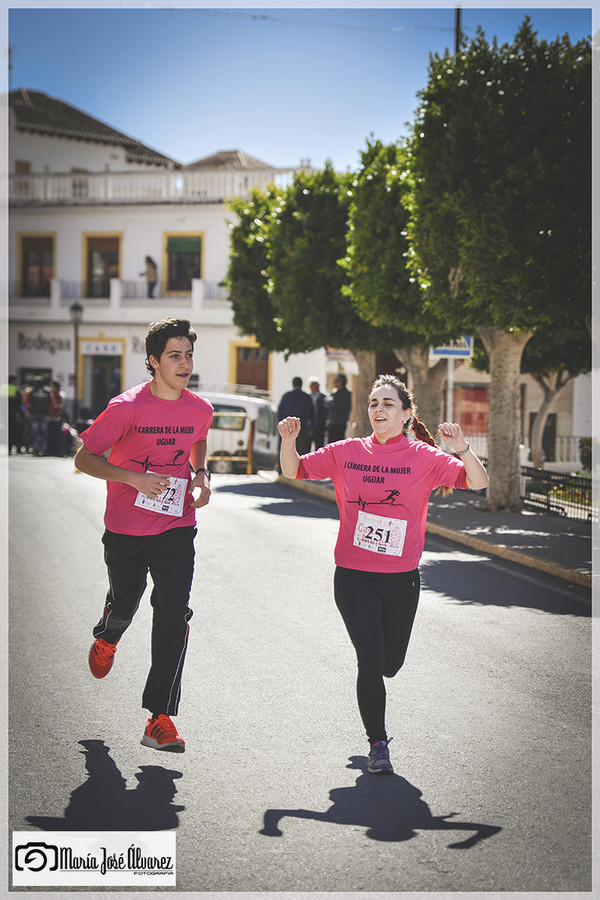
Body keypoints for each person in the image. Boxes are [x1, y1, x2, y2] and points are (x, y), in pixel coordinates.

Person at [278, 374, 488, 775]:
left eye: (389, 404)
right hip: (354, 576)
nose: (379, 410)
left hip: (401, 579)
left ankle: (378, 716)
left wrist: (461, 449)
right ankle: (378, 744)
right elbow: (295, 471)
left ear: (406, 414)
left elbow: (478, 482)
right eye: (374, 403)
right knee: (370, 662)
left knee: (391, 664)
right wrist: (290, 442)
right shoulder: (347, 451)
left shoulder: (425, 458)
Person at [74, 317, 213, 753]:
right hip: (126, 529)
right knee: (127, 603)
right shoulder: (125, 408)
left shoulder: (199, 409)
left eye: (188, 355)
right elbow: (85, 458)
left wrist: (201, 476)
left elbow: (198, 441)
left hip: (176, 524)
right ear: (153, 361)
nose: (184, 363)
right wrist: (131, 479)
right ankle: (108, 633)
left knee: (174, 614)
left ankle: (160, 718)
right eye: (175, 355)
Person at [277, 376, 314, 456]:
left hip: (289, 427)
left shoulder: (286, 396)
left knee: (287, 450)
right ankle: (302, 468)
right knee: (302, 451)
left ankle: (285, 468)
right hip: (303, 427)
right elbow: (313, 413)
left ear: (292, 384)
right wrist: (311, 428)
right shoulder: (307, 397)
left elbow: (279, 411)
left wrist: (281, 425)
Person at [27, 375, 52, 456]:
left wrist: (28, 410)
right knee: (44, 432)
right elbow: (52, 403)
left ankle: (36, 448)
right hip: (44, 414)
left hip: (34, 413)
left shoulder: (31, 391)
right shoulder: (47, 391)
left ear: (35, 383)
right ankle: (43, 449)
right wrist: (49, 411)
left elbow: (26, 402)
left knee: (35, 432)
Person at [324, 373, 352, 443]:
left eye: (337, 380)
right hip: (332, 421)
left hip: (340, 423)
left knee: (338, 443)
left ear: (342, 382)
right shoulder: (335, 391)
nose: (334, 382)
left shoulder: (345, 393)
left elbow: (335, 403)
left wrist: (331, 401)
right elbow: (326, 402)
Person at [307, 377, 327, 451]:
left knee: (319, 446)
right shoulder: (308, 397)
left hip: (320, 425)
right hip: (309, 426)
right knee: (307, 446)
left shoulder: (324, 397)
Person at [47, 380, 66, 456]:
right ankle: (51, 450)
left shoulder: (59, 395)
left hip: (57, 418)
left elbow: (59, 406)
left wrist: (51, 408)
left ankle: (57, 451)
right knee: (51, 434)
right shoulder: (52, 394)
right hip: (51, 417)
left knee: (57, 435)